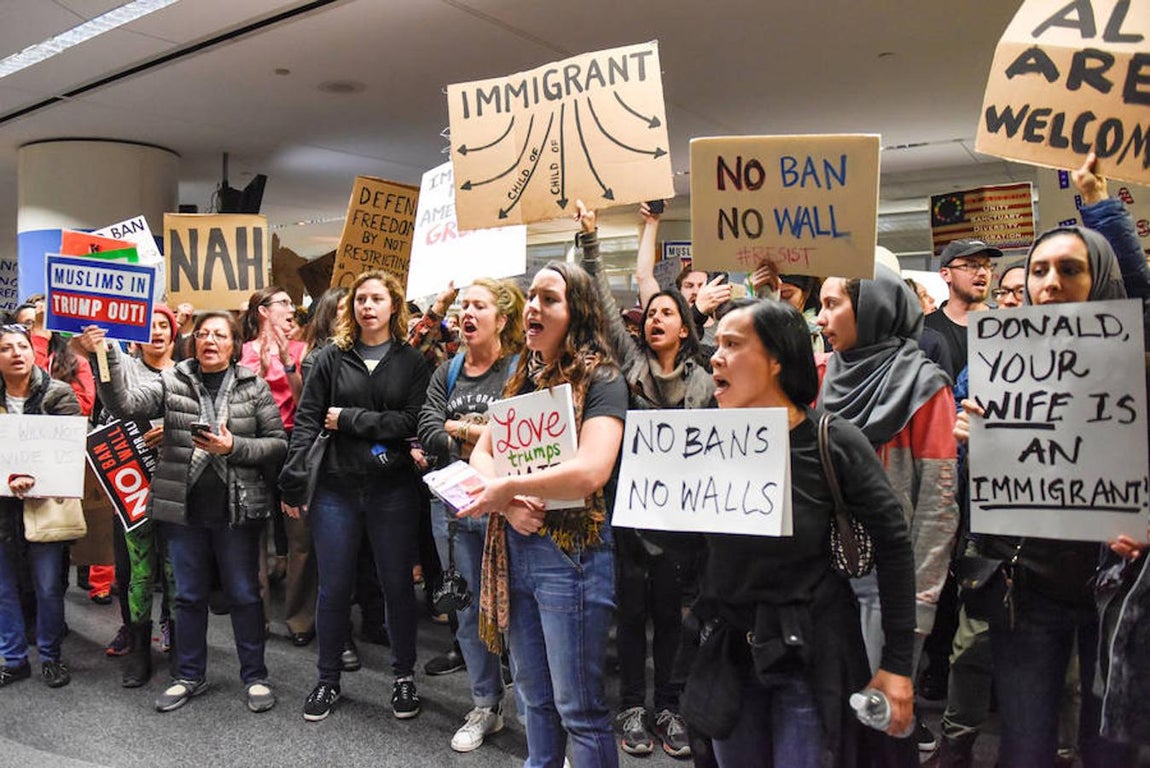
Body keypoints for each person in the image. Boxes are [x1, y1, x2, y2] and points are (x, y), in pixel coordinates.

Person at [683, 299, 917, 768]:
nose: (715, 357)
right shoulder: (704, 443)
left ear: (776, 360)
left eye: (732, 344)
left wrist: (897, 665)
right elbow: (688, 550)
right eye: (717, 345)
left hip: (807, 658)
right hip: (731, 655)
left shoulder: (831, 441)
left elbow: (894, 548)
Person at [955, 218, 1137, 767]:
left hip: (1118, 591)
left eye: (1069, 269)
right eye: (1039, 270)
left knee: (1110, 747)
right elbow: (983, 496)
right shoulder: (1000, 361)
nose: (1050, 282)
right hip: (1028, 585)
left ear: (1100, 277)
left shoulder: (1139, 368)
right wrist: (972, 445)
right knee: (1025, 743)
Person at [460, 260, 628, 768]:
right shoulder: (520, 375)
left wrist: (510, 486)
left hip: (571, 557)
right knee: (534, 699)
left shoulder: (604, 379)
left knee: (579, 710)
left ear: (577, 311)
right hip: (516, 550)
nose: (533, 306)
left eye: (549, 299)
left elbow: (590, 472)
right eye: (531, 296)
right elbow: (480, 454)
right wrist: (508, 503)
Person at [90, 311, 287, 714]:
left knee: (245, 595)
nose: (209, 340)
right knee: (188, 597)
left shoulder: (253, 385)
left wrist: (234, 448)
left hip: (237, 510)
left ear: (234, 344)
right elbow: (124, 404)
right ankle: (189, 675)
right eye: (203, 334)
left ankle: (255, 676)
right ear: (194, 341)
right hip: (183, 510)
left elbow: (278, 445)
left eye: (219, 334)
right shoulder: (172, 379)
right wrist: (105, 353)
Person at [578, 202, 710, 759]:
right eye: (650, 311)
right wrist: (590, 241)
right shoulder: (629, 365)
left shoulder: (707, 383)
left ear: (685, 325)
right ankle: (632, 704)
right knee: (630, 615)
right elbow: (605, 300)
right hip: (629, 518)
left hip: (683, 523)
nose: (655, 318)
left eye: (666, 312)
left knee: (672, 618)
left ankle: (671, 706)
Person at [817, 264, 959, 760]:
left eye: (832, 303)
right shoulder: (820, 377)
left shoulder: (924, 386)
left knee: (880, 720)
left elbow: (938, 507)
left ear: (873, 307)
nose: (820, 318)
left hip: (888, 586)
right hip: (824, 582)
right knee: (832, 720)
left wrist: (916, 610)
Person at [279, 270, 430, 723]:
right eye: (361, 299)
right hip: (336, 490)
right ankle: (327, 679)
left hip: (393, 490)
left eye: (377, 299)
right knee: (334, 587)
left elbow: (411, 423)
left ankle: (404, 677)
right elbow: (307, 420)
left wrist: (348, 420)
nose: (368, 306)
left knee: (398, 587)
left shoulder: (412, 362)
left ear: (393, 307)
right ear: (352, 308)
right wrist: (292, 478)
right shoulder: (329, 357)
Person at [417, 277, 525, 753]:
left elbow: (519, 432)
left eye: (478, 306)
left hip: (508, 511)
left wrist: (459, 428)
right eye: (463, 305)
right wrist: (480, 430)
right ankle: (485, 704)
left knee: (518, 615)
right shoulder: (448, 370)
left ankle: (534, 716)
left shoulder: (522, 369)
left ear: (501, 319)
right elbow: (427, 427)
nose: (466, 313)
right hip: (455, 512)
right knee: (467, 612)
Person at [82, 308, 179, 688]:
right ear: (135, 333)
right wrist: (98, 352)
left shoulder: (185, 372)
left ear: (174, 334)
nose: (157, 332)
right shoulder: (122, 366)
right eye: (150, 325)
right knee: (136, 569)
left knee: (173, 566)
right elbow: (111, 407)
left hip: (174, 481)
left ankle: (176, 633)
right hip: (130, 480)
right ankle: (139, 646)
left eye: (164, 326)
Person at [0, 323, 82, 689]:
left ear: (34, 353)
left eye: (22, 346)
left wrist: (35, 477)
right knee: (3, 588)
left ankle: (50, 656)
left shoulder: (59, 394)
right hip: (1, 507)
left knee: (48, 587)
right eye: (6, 348)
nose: (16, 353)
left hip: (45, 504)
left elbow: (70, 449)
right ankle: (14, 658)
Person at [238, 287, 305, 642]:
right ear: (264, 311)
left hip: (293, 442)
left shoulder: (299, 348)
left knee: (299, 535)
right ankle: (257, 617)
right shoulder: (243, 351)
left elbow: (304, 400)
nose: (291, 309)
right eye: (284, 302)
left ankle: (298, 620)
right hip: (254, 444)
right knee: (254, 533)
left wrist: (286, 361)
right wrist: (262, 368)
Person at [923, 240, 1000, 382]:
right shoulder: (925, 329)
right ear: (946, 274)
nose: (983, 272)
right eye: (971, 265)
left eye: (987, 266)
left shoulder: (1005, 324)